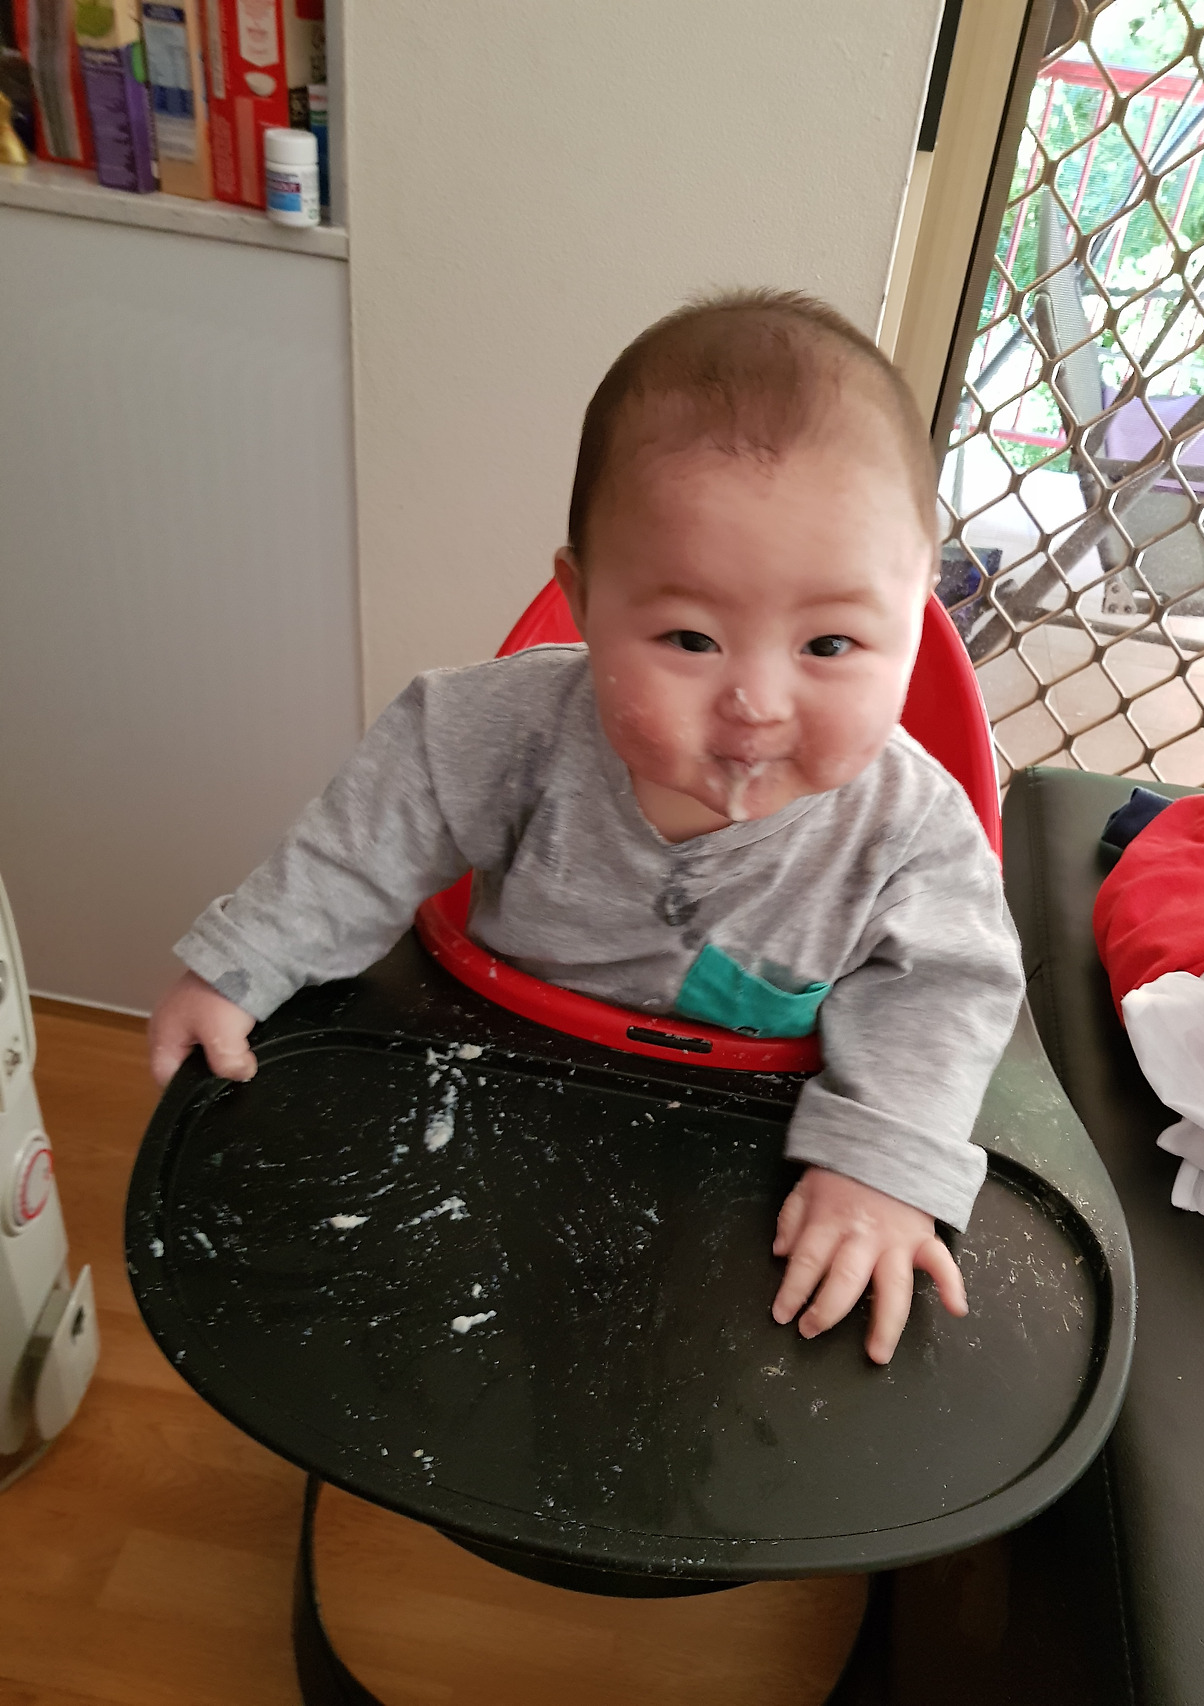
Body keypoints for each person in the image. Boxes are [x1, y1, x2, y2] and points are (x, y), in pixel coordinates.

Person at [148, 288, 1023, 1363]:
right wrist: (243, 961)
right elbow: (364, 841)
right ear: (584, 598)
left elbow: (948, 991)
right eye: (690, 639)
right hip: (497, 1094)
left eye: (829, 645)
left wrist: (882, 1164)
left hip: (739, 1169)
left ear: (917, 609)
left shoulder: (913, 829)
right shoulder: (502, 729)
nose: (755, 704)